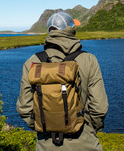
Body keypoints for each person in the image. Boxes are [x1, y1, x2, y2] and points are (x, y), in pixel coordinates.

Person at [17, 11, 109, 150]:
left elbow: (24, 107)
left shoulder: (32, 62)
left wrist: (44, 125)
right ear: (71, 29)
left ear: (49, 31)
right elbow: (99, 107)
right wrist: (88, 128)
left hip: (45, 145)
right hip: (85, 143)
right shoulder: (89, 60)